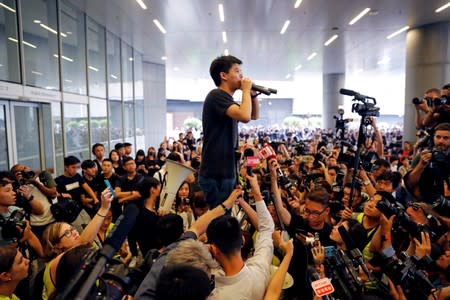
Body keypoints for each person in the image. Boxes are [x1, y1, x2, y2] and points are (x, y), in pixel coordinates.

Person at [199, 55, 259, 209]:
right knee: (218, 219)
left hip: (225, 171)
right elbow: (245, 116)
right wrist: (245, 90)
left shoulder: (227, 101)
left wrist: (252, 96)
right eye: (237, 71)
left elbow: (253, 115)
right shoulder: (216, 95)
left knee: (223, 219)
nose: (242, 76)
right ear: (223, 75)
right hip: (216, 173)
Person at [207, 173, 274, 300]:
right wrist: (256, 191)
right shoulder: (259, 269)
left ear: (214, 249)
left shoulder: (215, 295)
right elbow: (266, 228)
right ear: (242, 240)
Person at [40, 188, 112, 299]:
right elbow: (83, 243)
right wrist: (103, 209)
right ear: (56, 245)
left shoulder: (75, 256)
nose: (74, 233)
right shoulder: (54, 264)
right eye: (67, 233)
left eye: (73, 229)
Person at [404, 122, 450, 203]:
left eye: (446, 138)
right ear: (433, 137)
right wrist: (421, 165)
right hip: (426, 202)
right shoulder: (423, 156)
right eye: (438, 137)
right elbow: (410, 183)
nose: (441, 141)